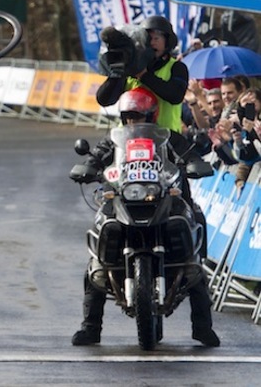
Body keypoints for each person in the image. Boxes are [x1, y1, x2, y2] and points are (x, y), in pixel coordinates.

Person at [71, 89, 220, 347]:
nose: (133, 122)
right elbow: (96, 158)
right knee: (96, 259)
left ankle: (203, 327)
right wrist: (88, 168)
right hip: (123, 198)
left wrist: (194, 164)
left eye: (138, 116)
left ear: (151, 115)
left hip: (164, 198)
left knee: (193, 233)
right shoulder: (113, 141)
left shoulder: (168, 139)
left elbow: (189, 156)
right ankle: (90, 327)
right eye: (129, 117)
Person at [97, 15, 187, 133]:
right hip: (129, 137)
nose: (152, 43)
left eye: (156, 38)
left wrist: (144, 75)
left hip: (165, 139)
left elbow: (175, 96)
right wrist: (118, 74)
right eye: (148, 39)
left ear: (167, 42)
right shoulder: (129, 68)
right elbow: (104, 99)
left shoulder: (176, 67)